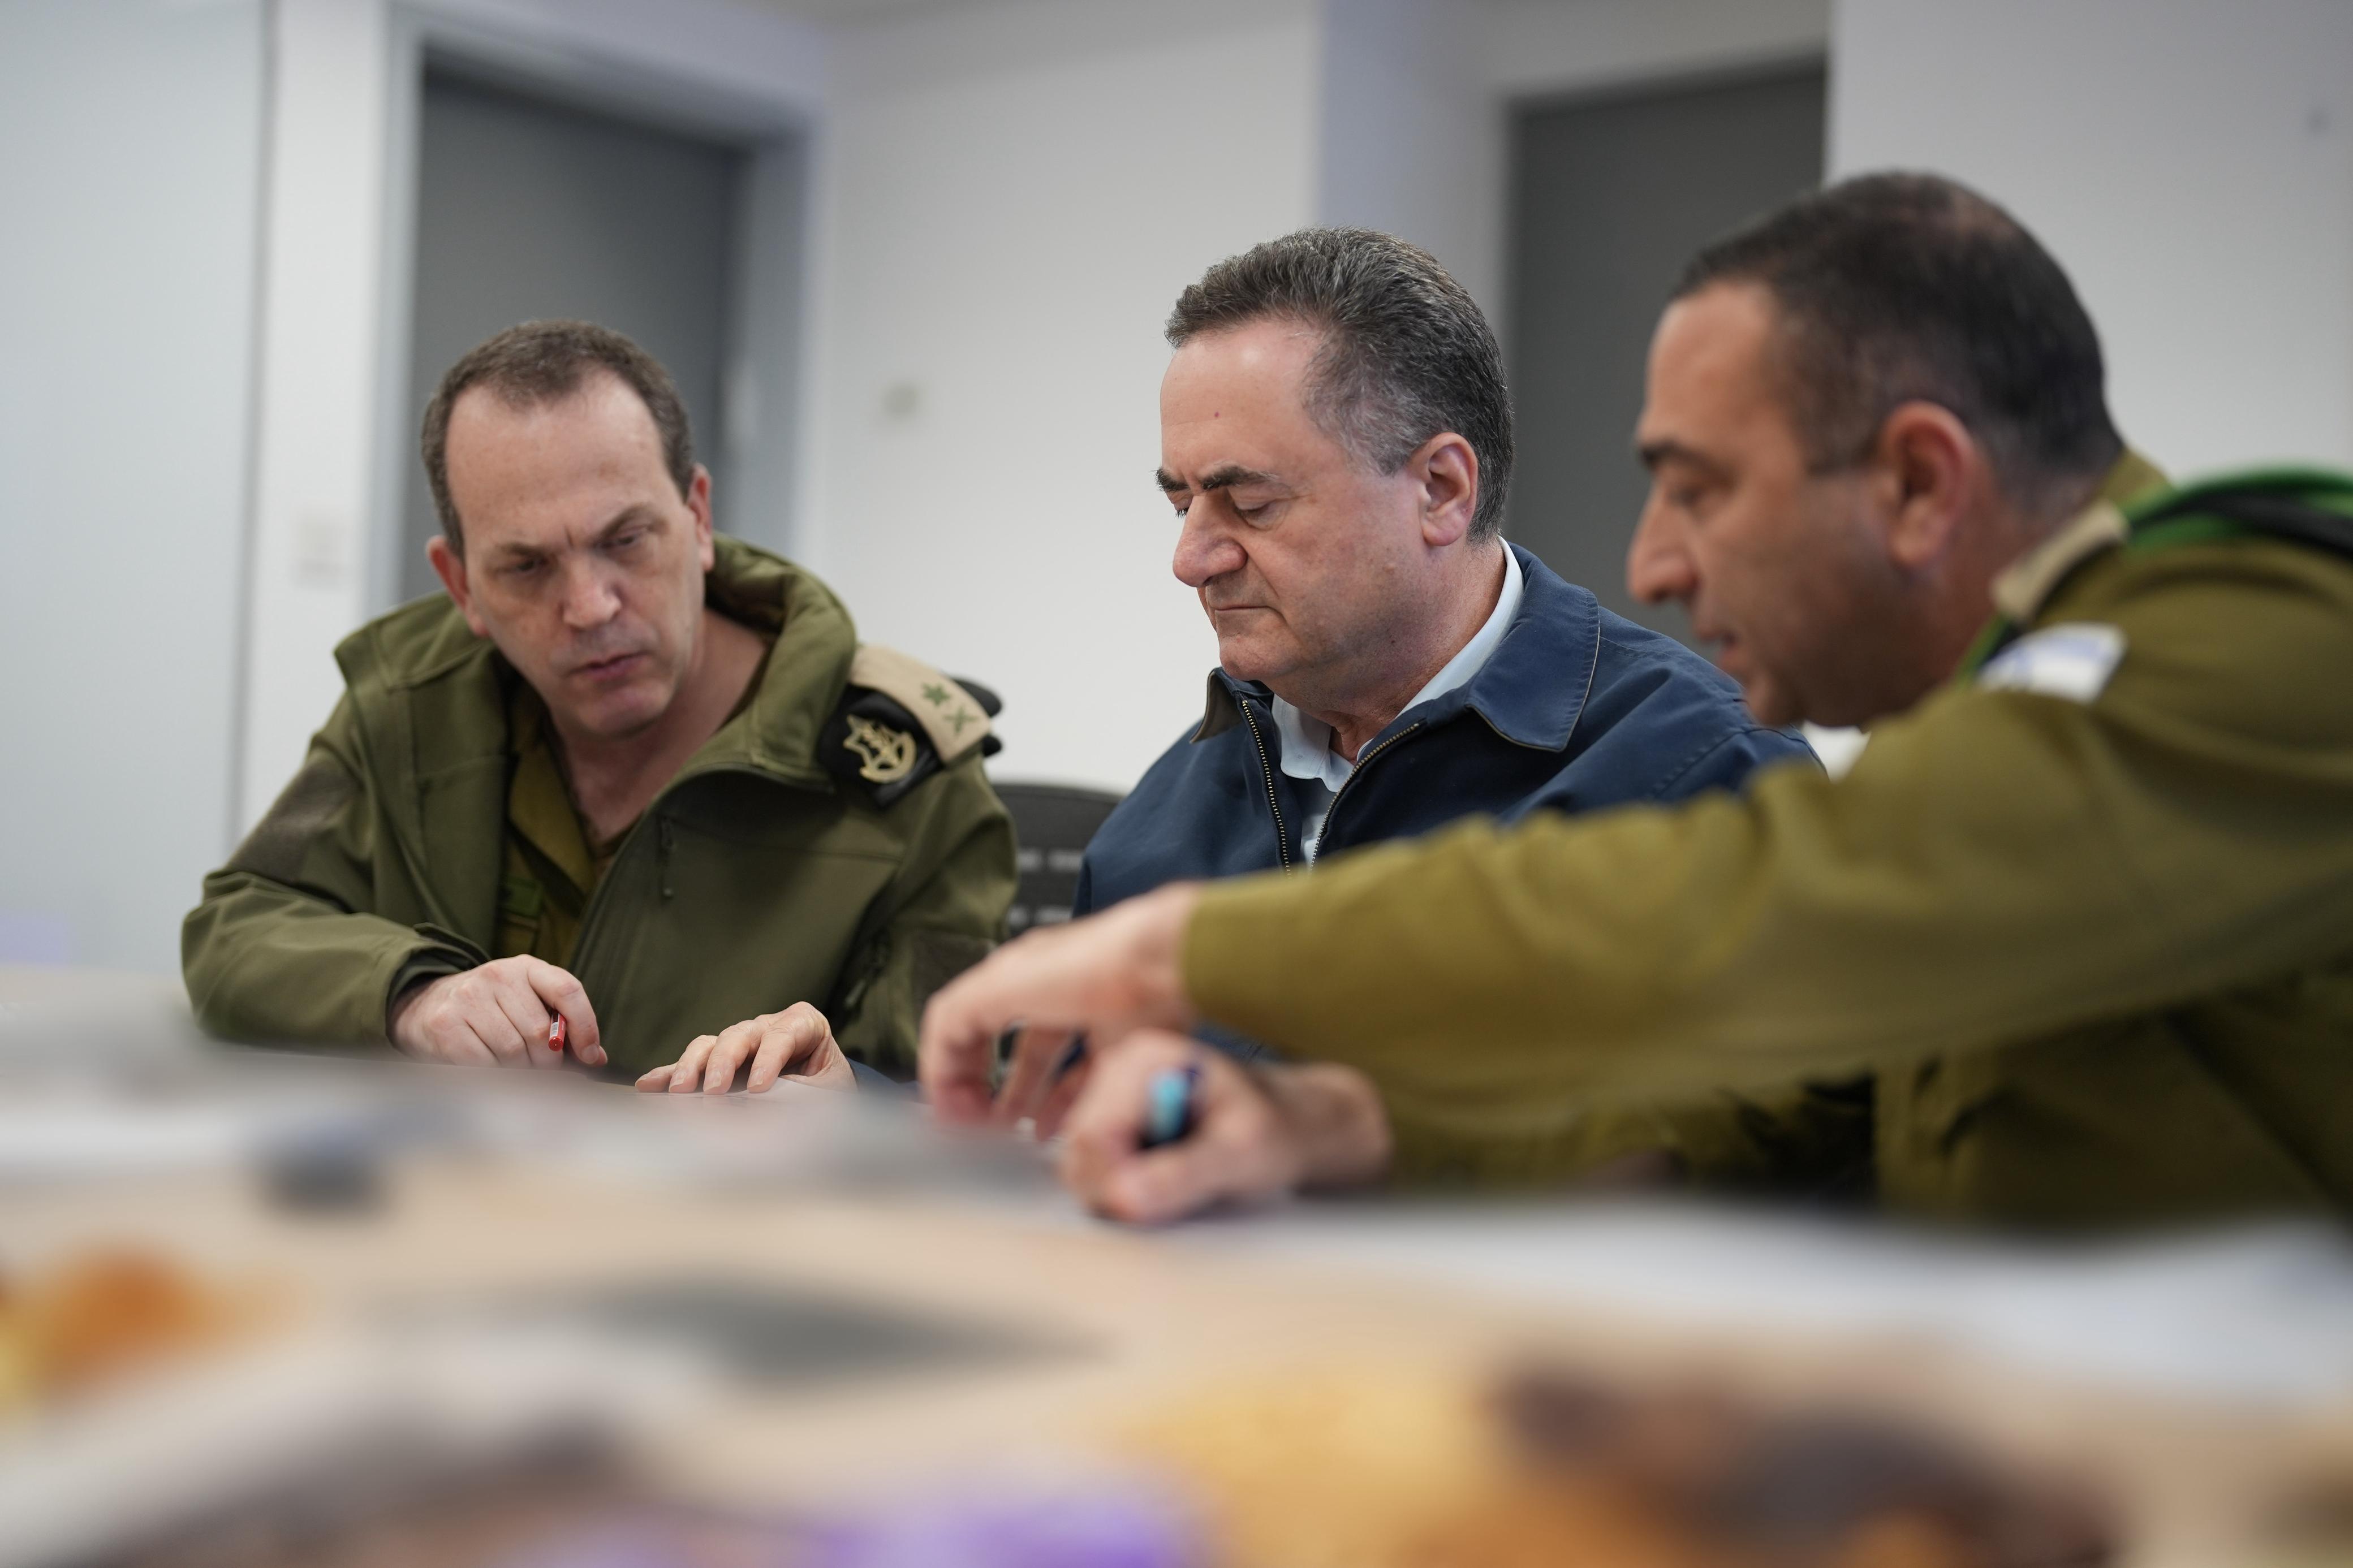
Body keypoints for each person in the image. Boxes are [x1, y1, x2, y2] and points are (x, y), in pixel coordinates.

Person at [920, 172, 2353, 1230]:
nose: (1654, 562)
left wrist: (1194, 950)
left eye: (1701, 490)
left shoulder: (2266, 636)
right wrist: (1321, 1119)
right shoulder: (2000, 715)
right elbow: (1771, 1088)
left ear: (1919, 483)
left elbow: (1768, 902)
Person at [185, 321, 1015, 1091]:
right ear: (461, 585)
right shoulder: (410, 702)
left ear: (697, 518)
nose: (589, 607)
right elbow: (238, 929)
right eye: (526, 567)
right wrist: (412, 994)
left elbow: (961, 1095)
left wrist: (843, 1098)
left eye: (625, 540)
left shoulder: (904, 773)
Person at [1071, 230, 1809, 1000]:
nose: (1191, 560)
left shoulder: (1708, 779)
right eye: (1182, 505)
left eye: (1252, 505)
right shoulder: (1153, 831)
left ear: (1442, 491)